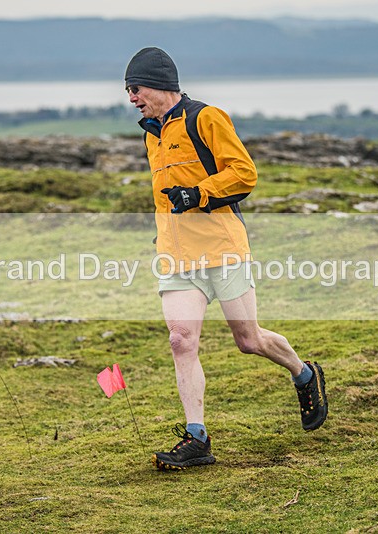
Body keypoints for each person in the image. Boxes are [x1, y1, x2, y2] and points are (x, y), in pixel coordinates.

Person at [124, 47, 328, 471]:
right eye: (128, 90)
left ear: (160, 84)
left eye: (136, 88)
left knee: (248, 341)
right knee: (181, 338)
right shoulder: (150, 133)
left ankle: (303, 373)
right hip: (176, 255)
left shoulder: (206, 118)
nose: (131, 98)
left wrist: (198, 194)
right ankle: (196, 438)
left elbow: (244, 173)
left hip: (222, 250)